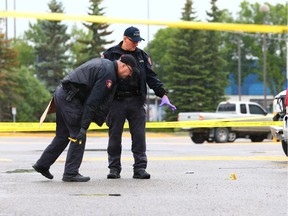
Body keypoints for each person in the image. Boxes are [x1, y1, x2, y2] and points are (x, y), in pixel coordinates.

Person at [32, 54, 137, 182]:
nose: (130, 75)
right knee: (78, 135)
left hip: (62, 95)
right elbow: (93, 101)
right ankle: (70, 173)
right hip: (70, 99)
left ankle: (42, 164)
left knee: (63, 135)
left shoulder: (106, 66)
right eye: (130, 71)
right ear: (123, 65)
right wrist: (83, 126)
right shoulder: (108, 73)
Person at [102, 26, 176, 180]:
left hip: (136, 101)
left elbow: (151, 77)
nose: (136, 44)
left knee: (139, 137)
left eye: (138, 41)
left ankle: (140, 168)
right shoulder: (110, 54)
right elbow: (102, 77)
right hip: (117, 101)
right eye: (133, 41)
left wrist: (163, 94)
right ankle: (114, 169)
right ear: (125, 38)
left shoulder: (142, 55)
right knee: (114, 136)